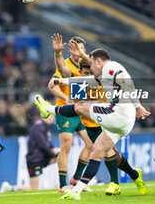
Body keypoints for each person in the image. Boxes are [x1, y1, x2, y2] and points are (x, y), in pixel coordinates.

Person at [35, 48, 150, 200]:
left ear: (98, 61)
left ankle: (48, 109)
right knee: (97, 152)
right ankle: (77, 191)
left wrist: (138, 106)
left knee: (80, 107)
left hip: (118, 114)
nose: (91, 68)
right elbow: (85, 81)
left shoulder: (111, 67)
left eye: (92, 65)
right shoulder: (103, 75)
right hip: (121, 120)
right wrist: (62, 81)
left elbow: (127, 83)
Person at [70, 58, 146, 196]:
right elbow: (78, 105)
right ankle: (135, 175)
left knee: (107, 151)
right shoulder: (80, 85)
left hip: (108, 119)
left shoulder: (102, 79)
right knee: (115, 155)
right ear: (80, 72)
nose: (88, 76)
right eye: (85, 73)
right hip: (91, 124)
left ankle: (114, 183)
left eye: (90, 73)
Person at [49, 34, 93, 192]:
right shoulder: (66, 64)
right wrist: (65, 97)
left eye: (80, 48)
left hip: (83, 110)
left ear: (84, 50)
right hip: (66, 110)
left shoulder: (87, 64)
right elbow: (52, 84)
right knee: (66, 145)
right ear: (69, 50)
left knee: (91, 144)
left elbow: (99, 67)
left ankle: (76, 178)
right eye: (74, 48)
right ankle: (62, 185)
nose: (77, 51)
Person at [0, 113, 59, 193]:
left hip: (41, 158)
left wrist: (54, 150)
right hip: (34, 160)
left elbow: (48, 143)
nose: (51, 118)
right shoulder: (39, 126)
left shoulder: (46, 127)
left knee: (60, 157)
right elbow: (43, 144)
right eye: (48, 116)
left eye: (52, 116)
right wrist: (53, 153)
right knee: (34, 189)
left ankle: (60, 183)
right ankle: (9, 188)